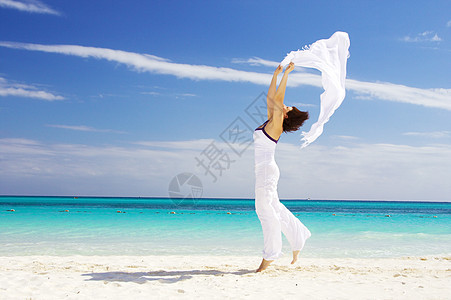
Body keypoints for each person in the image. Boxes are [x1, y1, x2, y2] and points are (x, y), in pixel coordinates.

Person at [254, 62, 311, 272]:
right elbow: (272, 99)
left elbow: (277, 101)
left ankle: (269, 256)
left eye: (288, 108)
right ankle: (299, 238)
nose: (285, 105)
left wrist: (287, 74)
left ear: (285, 116)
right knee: (274, 208)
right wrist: (275, 75)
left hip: (267, 171)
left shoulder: (276, 124)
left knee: (265, 210)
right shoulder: (271, 120)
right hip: (265, 170)